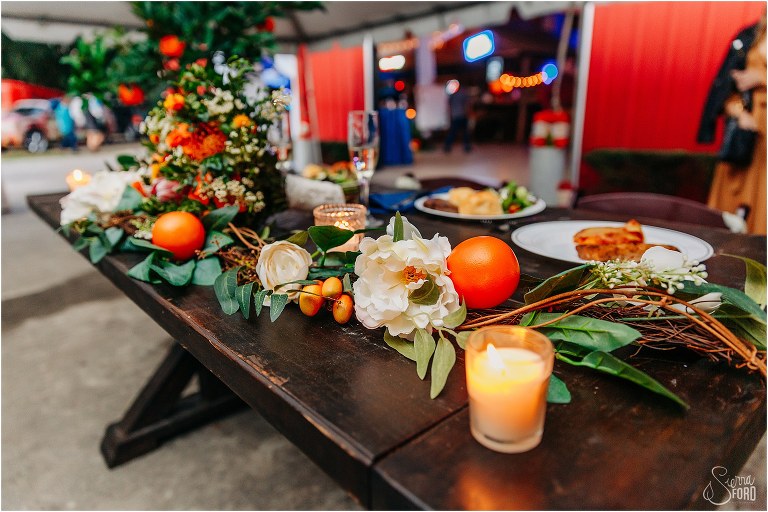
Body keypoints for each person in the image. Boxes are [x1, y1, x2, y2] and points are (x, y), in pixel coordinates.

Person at [698, 15, 766, 234]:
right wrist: (738, 111)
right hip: (747, 128)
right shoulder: (750, 35)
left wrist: (763, 78)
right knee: (731, 193)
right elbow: (726, 84)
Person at [444, 80, 472, 153]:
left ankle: (447, 146)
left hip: (455, 115)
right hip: (462, 115)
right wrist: (468, 113)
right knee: (464, 132)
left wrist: (450, 114)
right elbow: (467, 105)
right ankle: (467, 147)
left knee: (453, 132)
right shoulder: (463, 94)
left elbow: (448, 106)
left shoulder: (452, 95)